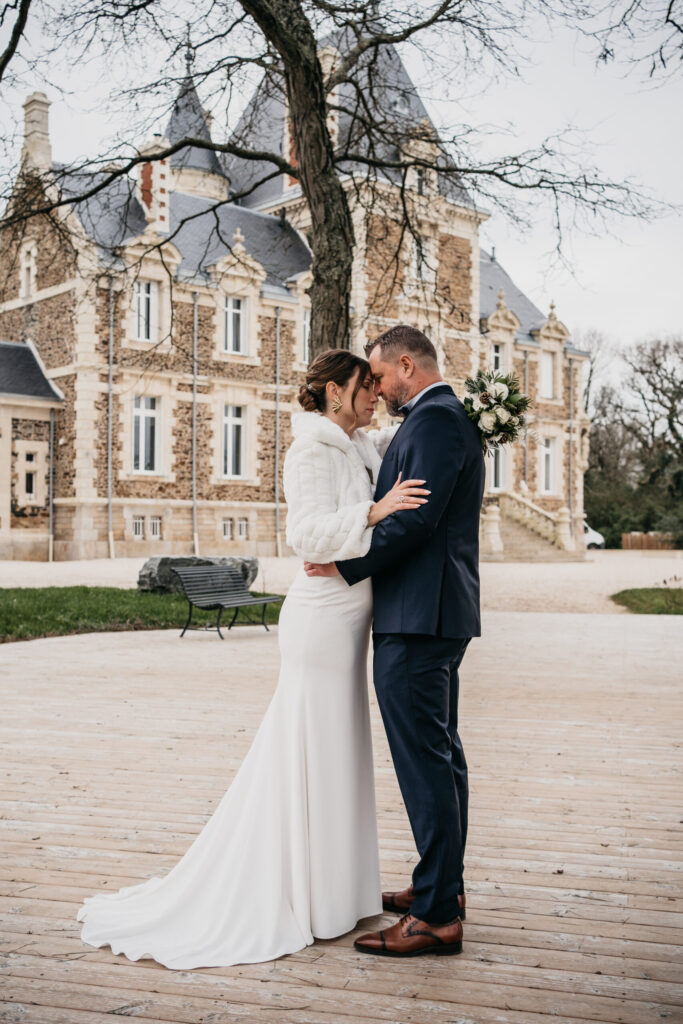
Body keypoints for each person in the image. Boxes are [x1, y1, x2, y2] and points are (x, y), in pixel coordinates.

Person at [76, 348, 429, 969]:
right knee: (311, 748)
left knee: (339, 752)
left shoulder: (358, 444)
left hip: (350, 622)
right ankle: (302, 892)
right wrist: (374, 511)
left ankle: (337, 892)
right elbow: (307, 535)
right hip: (322, 621)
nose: (375, 394)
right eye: (365, 386)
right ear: (333, 393)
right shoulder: (311, 449)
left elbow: (410, 438)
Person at [305, 325, 486, 959]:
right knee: (440, 754)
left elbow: (416, 520)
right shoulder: (437, 418)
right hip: (432, 612)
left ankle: (436, 915)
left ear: (406, 365)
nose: (377, 390)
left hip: (419, 616)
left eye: (380, 376)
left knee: (425, 761)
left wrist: (344, 563)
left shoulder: (434, 421)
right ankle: (442, 885)